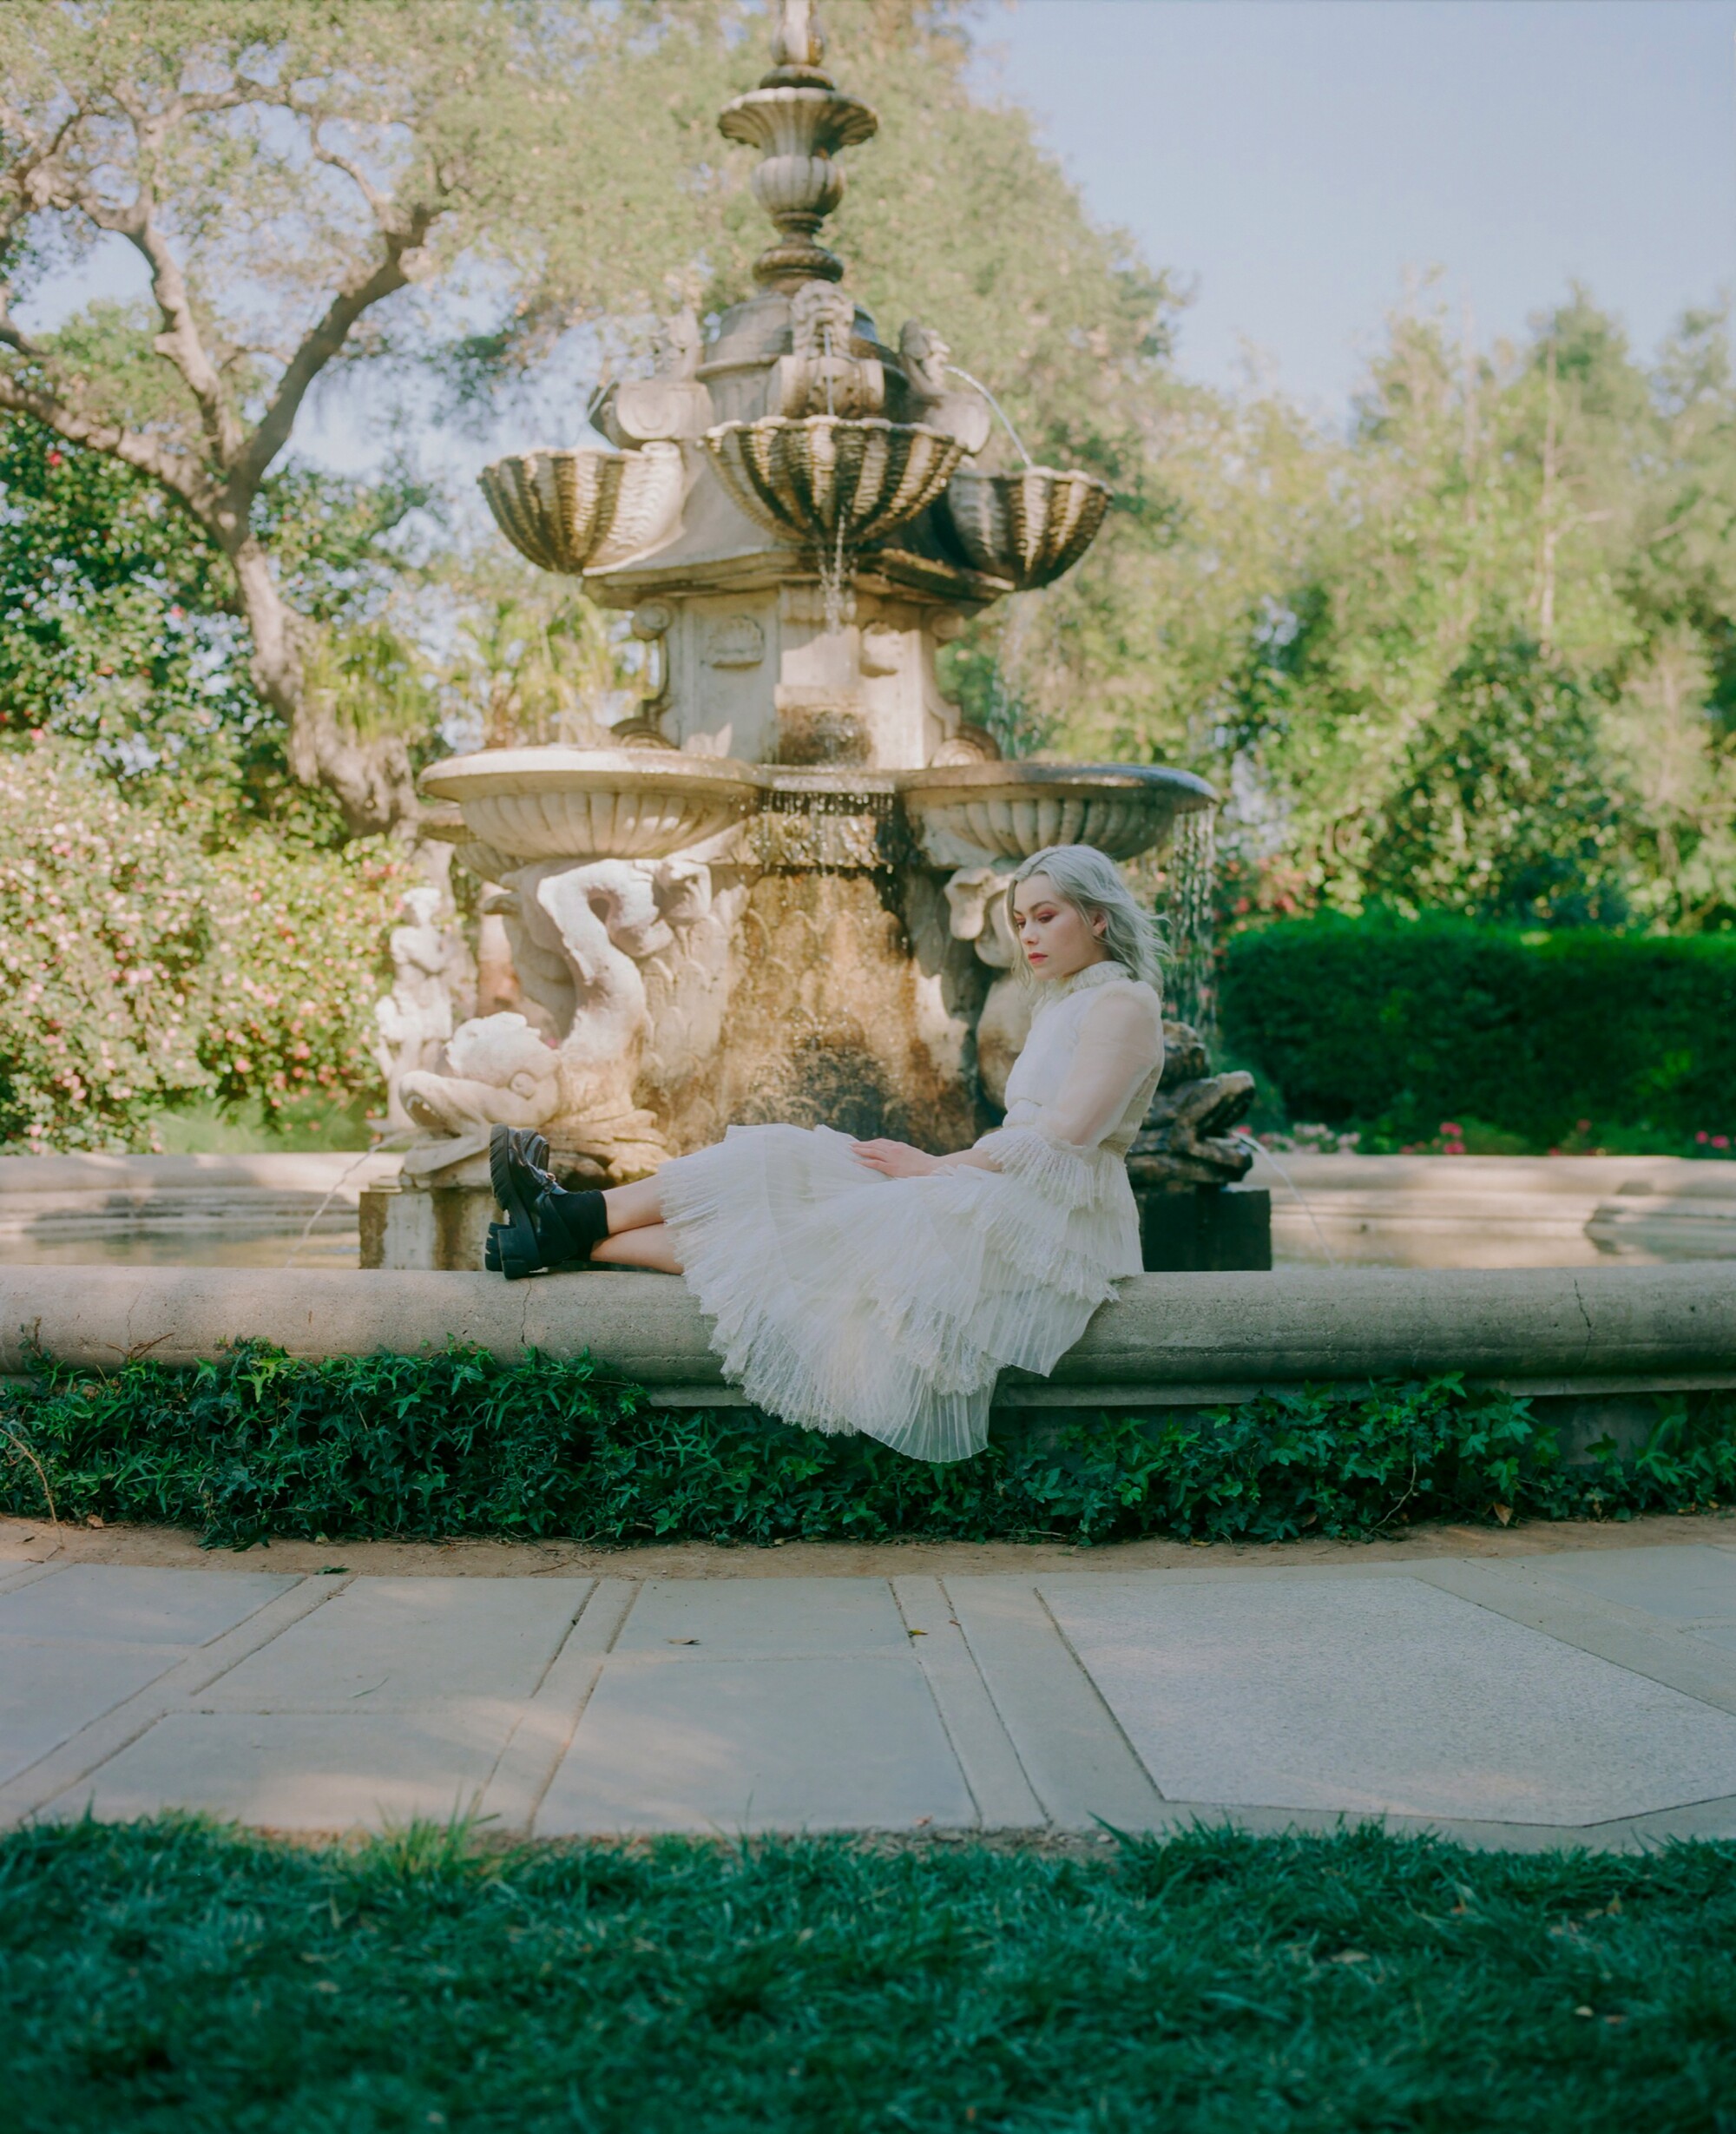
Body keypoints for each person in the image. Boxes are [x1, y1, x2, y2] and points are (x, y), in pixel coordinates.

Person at [487, 843, 1166, 1463]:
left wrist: (935, 1168)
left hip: (1057, 1220)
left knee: (813, 1208)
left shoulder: (1123, 1003)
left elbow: (1063, 1139)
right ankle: (564, 1226)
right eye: (1021, 921)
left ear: (1099, 917)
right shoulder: (1062, 1002)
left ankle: (562, 1224)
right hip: (1016, 1193)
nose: (1028, 936)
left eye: (1045, 917)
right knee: (785, 1165)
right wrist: (942, 1168)